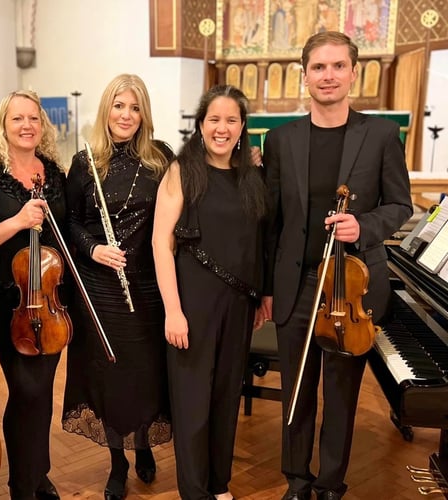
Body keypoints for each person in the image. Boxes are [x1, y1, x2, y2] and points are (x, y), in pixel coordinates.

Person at [261, 31, 412, 500]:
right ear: (304, 75)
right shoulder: (281, 140)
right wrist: (267, 288)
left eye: (337, 66)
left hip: (351, 288)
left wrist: (362, 228)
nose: (328, 76)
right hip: (297, 283)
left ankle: (330, 483)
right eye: (319, 67)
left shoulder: (382, 134)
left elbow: (400, 205)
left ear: (353, 71)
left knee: (343, 395)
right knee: (298, 391)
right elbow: (272, 221)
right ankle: (296, 480)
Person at [152, 84, 267, 500]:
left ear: (242, 127)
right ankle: (195, 491)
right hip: (193, 301)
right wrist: (173, 311)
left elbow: (255, 241)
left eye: (231, 120)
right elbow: (160, 243)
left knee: (224, 397)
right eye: (214, 119)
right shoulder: (182, 171)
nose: (222, 128)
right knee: (192, 402)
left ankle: (219, 484)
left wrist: (258, 295)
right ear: (200, 125)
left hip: (238, 303)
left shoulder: (251, 175)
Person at [61, 74, 172, 500]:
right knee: (107, 376)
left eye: (134, 107)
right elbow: (71, 221)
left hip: (145, 286)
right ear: (106, 109)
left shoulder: (161, 159)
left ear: (144, 114)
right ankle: (117, 462)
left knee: (145, 373)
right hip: (100, 287)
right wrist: (94, 250)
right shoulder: (85, 161)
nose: (126, 115)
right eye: (118, 106)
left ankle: (142, 442)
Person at [0, 90, 66, 500]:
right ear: (2, 126)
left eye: (33, 118)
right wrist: (19, 219)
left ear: (42, 126)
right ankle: (23, 484)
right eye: (17, 119)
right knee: (26, 390)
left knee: (41, 392)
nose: (26, 126)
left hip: (54, 298)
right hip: (9, 301)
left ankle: (37, 474)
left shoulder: (55, 174)